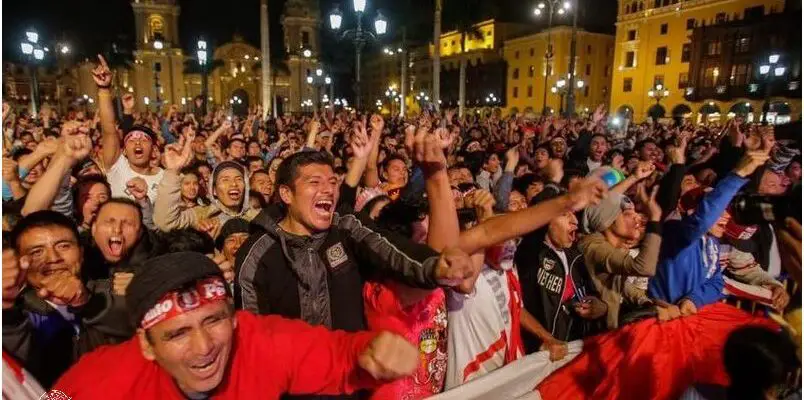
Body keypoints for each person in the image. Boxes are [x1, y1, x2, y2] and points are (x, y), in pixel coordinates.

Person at [53, 252, 421, 399]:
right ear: (147, 345)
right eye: (178, 333)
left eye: (213, 321)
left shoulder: (261, 340)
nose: (203, 347)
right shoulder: (100, 378)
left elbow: (341, 355)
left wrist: (372, 352)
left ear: (233, 318)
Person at [3, 212, 132, 387]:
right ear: (20, 262)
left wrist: (88, 303)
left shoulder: (118, 289)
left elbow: (140, 327)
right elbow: (19, 373)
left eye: (64, 246)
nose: (54, 258)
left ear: (81, 252)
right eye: (37, 251)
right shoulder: (15, 317)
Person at [649, 148, 770, 314]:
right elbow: (703, 221)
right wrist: (737, 175)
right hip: (661, 321)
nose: (726, 218)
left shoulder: (712, 243)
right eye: (719, 212)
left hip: (688, 321)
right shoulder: (676, 232)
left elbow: (716, 281)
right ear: (693, 211)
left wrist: (694, 299)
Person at [515, 190, 609, 353]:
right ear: (545, 219)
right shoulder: (527, 256)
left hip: (576, 349)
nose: (575, 222)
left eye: (574, 214)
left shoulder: (576, 255)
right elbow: (518, 308)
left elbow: (594, 295)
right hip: (541, 355)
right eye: (565, 214)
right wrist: (546, 338)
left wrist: (601, 307)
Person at [153, 131, 259, 235]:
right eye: (225, 180)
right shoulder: (202, 214)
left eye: (238, 179)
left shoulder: (258, 217)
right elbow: (165, 222)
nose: (234, 184)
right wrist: (172, 171)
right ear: (214, 191)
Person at [92, 56, 164, 202]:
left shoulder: (164, 178)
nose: (137, 142)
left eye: (144, 139)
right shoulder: (117, 165)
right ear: (124, 150)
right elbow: (109, 130)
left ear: (153, 149)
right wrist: (104, 89)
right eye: (131, 140)